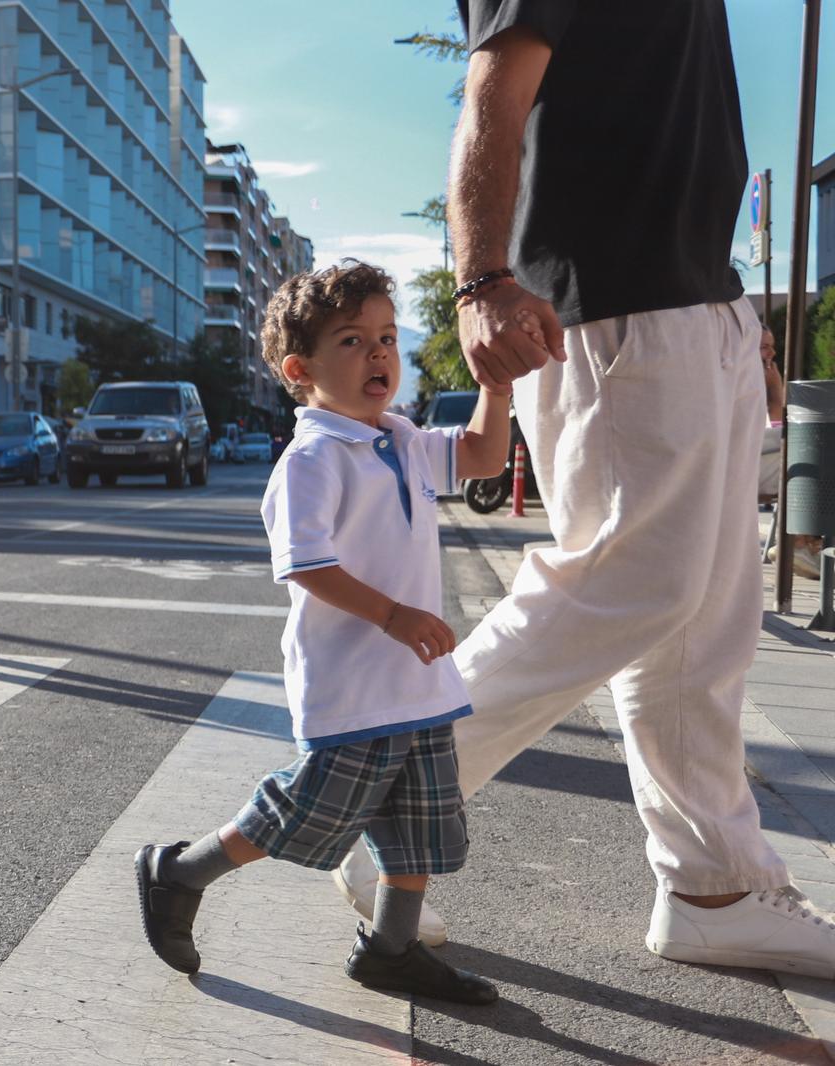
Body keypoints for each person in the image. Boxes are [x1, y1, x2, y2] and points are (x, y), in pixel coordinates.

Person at [332, 1, 835, 977]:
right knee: (621, 583)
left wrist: (734, 317)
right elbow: (496, 87)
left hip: (699, 300)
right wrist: (479, 280)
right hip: (612, 307)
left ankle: (711, 889)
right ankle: (393, 811)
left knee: (704, 622)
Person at [135, 261, 511, 1004]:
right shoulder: (310, 460)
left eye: (387, 338)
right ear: (300, 369)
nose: (379, 354)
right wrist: (394, 616)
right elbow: (308, 566)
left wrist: (496, 387)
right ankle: (178, 872)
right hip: (352, 686)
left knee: (423, 826)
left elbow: (482, 456)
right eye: (353, 340)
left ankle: (390, 949)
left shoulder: (398, 437)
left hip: (418, 684)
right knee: (305, 810)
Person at [760, 328, 821, 579]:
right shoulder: (733, 384)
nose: (772, 352)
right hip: (740, 470)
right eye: (764, 346)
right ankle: (799, 544)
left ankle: (805, 544)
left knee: (811, 458)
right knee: (811, 459)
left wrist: (776, 392)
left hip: (756, 463)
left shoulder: (754, 381)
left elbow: (776, 425)